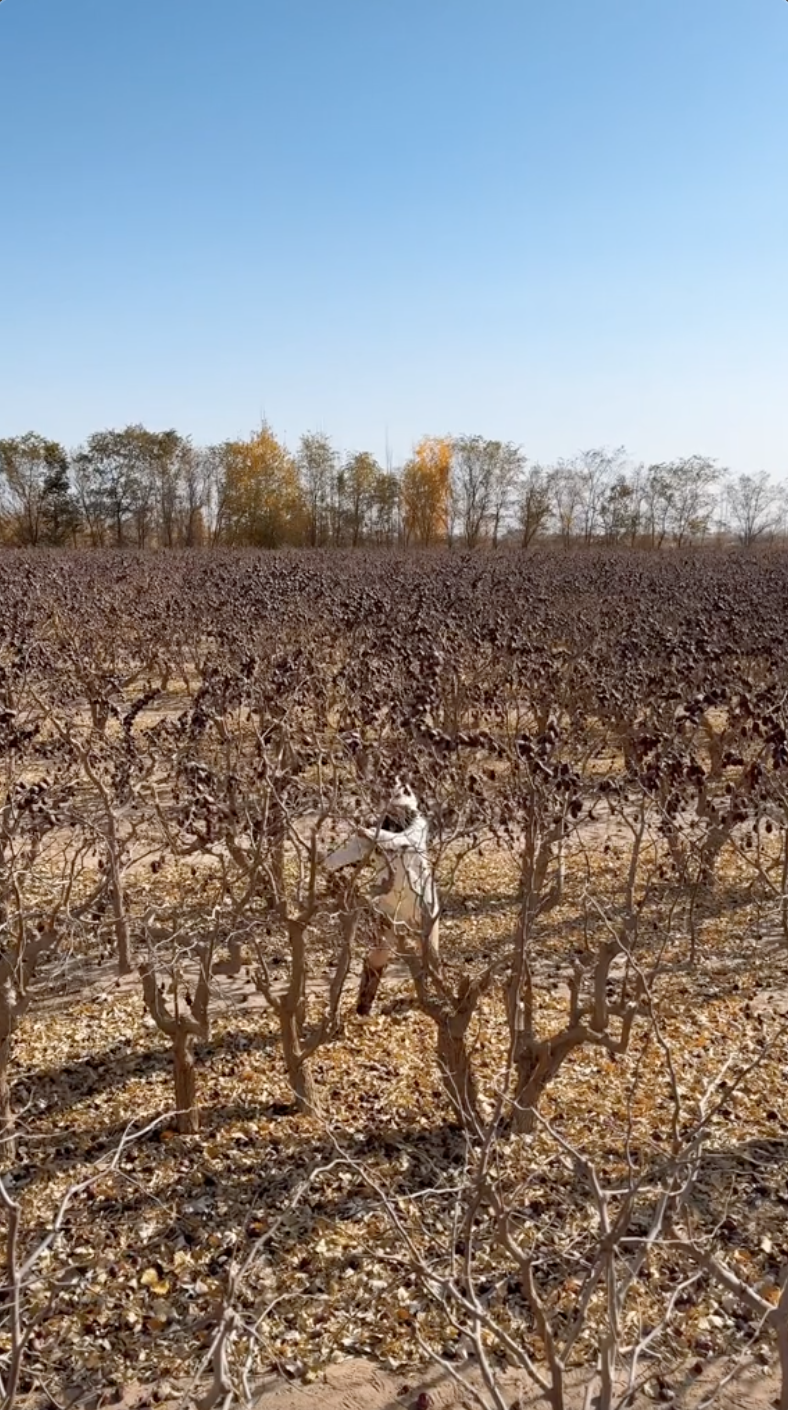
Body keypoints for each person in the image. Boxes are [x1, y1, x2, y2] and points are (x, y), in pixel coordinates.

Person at [324, 781, 439, 1014]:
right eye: (393, 808)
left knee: (431, 958)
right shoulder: (371, 835)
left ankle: (435, 1004)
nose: (397, 813)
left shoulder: (418, 825)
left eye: (401, 808)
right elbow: (342, 856)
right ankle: (363, 1007)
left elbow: (404, 841)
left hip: (422, 903)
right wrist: (323, 862)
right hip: (388, 906)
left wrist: (371, 834)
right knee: (377, 954)